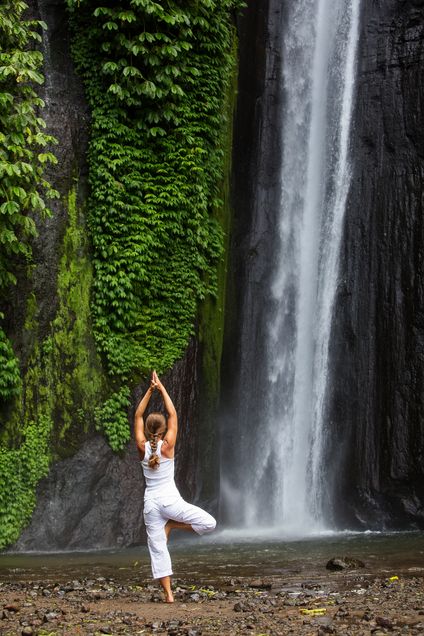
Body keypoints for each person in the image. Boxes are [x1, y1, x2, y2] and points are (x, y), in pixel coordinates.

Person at [134, 370, 216, 603]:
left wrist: (149, 391)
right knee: (209, 523)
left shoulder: (142, 446)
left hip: (150, 503)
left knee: (157, 548)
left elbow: (138, 415)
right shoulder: (167, 446)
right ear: (161, 431)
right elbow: (173, 414)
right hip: (170, 501)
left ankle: (169, 595)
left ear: (148, 431)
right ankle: (173, 525)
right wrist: (161, 388)